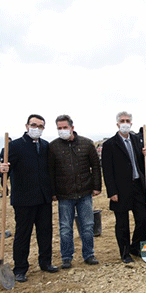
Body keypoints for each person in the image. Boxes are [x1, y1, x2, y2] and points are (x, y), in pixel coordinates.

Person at [0, 114, 59, 282]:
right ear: (27, 126)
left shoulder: (46, 146)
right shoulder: (14, 146)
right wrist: (1, 169)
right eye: (34, 125)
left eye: (40, 126)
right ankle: (20, 269)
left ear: (43, 129)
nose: (36, 128)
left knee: (45, 232)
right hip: (24, 200)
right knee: (23, 234)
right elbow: (3, 170)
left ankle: (46, 263)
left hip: (44, 198)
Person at [101, 111, 146, 263]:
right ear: (118, 124)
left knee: (143, 219)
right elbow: (107, 171)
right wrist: (111, 191)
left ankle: (136, 247)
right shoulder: (109, 144)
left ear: (131, 123)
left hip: (138, 186)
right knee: (122, 224)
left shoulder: (137, 140)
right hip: (120, 189)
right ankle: (125, 252)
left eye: (127, 121)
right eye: (122, 121)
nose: (125, 123)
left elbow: (142, 163)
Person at [48, 115, 101, 269]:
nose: (62, 130)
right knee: (65, 227)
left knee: (88, 225)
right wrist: (53, 192)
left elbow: (96, 166)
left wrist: (96, 186)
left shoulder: (86, 144)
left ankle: (89, 254)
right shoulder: (53, 147)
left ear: (72, 127)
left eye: (65, 127)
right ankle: (66, 257)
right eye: (59, 128)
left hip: (84, 193)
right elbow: (50, 171)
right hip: (64, 195)